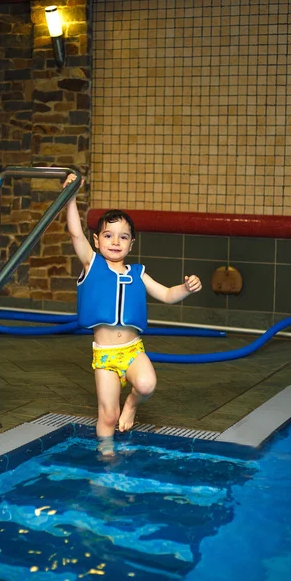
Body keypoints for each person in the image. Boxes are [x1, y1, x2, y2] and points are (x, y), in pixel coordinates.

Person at [64, 173, 202, 455]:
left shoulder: (137, 273)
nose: (115, 242)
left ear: (132, 243)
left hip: (131, 349)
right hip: (104, 354)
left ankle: (131, 405)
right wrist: (70, 197)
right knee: (107, 415)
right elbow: (75, 233)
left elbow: (166, 294)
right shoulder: (91, 264)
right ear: (97, 240)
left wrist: (186, 288)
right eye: (108, 235)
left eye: (123, 237)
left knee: (147, 384)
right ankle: (106, 457)